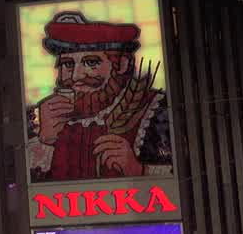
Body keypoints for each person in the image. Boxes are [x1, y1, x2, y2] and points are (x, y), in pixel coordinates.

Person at [26, 11, 170, 183]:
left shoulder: (156, 109)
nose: (76, 76)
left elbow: (186, 173)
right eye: (67, 64)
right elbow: (16, 184)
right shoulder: (38, 118)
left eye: (91, 62)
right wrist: (44, 141)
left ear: (122, 64)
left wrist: (139, 169)